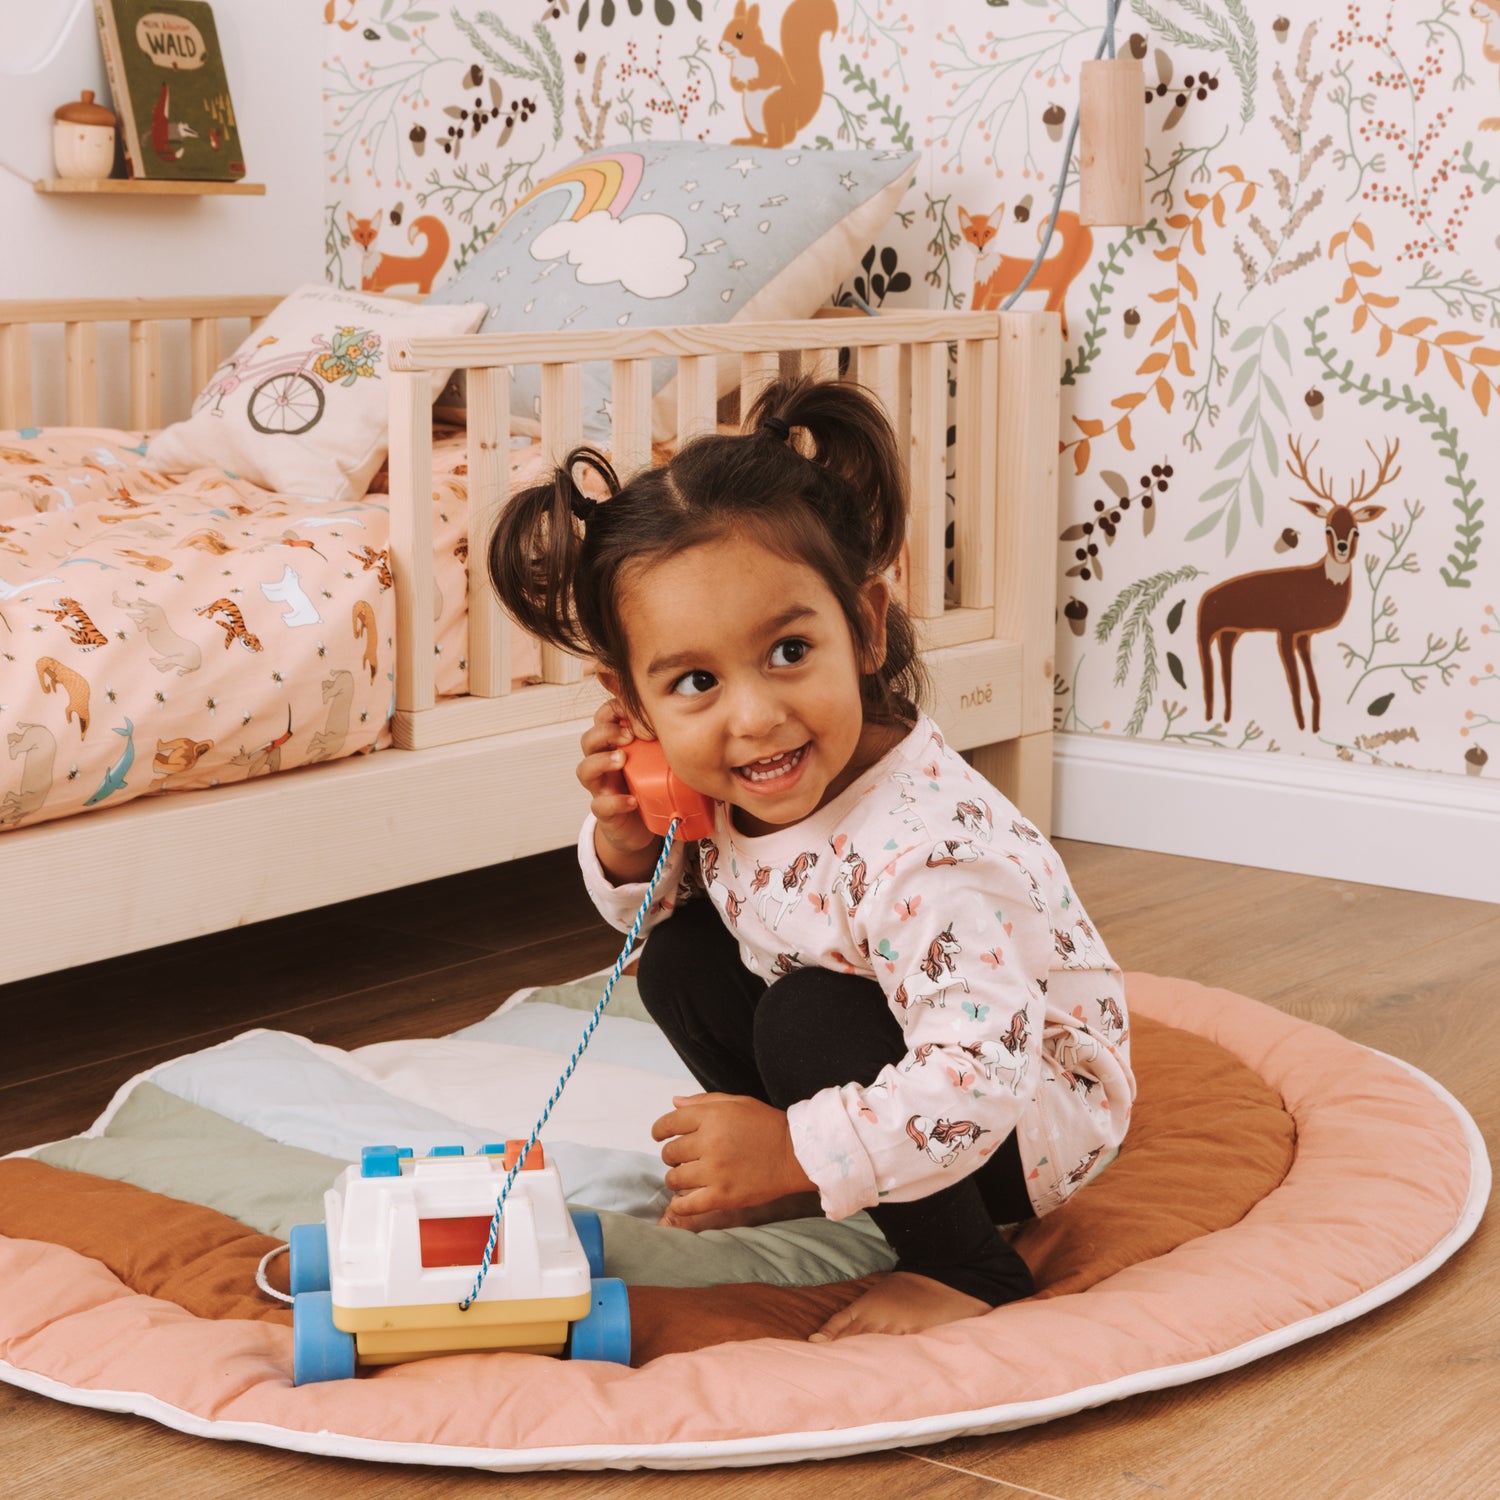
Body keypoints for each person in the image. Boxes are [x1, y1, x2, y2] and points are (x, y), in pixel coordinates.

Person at [488, 376, 1135, 1341]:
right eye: (696, 682)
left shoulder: (930, 852)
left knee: (806, 1018)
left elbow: (982, 1075)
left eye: (790, 651)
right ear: (632, 705)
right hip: (891, 1059)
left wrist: (794, 1144)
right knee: (679, 955)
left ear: (865, 628)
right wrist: (632, 840)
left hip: (1020, 1119)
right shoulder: (733, 788)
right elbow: (682, 916)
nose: (753, 717)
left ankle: (966, 1263)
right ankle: (819, 1172)